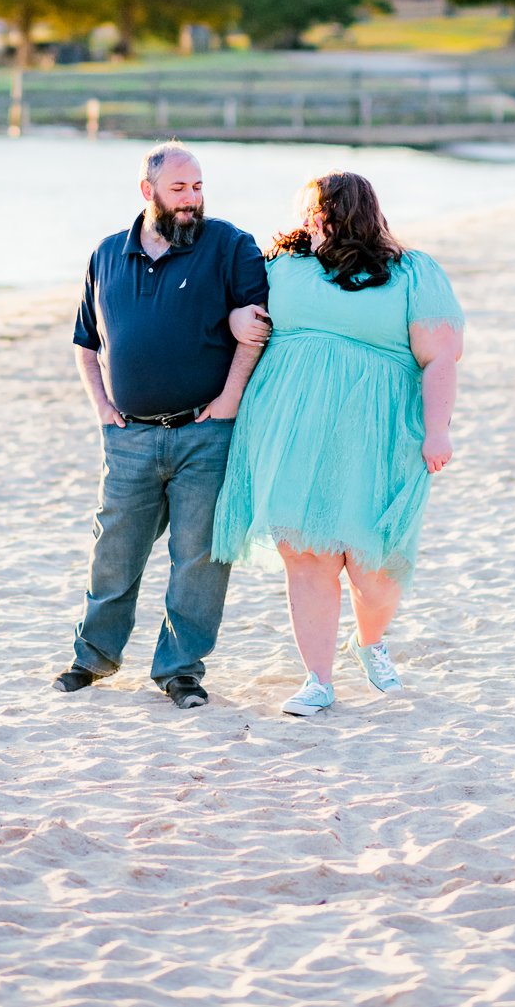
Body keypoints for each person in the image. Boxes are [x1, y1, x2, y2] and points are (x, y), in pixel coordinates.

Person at [211, 170, 464, 716]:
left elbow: (440, 355)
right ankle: (318, 679)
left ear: (346, 212)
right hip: (288, 427)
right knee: (306, 554)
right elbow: (238, 314)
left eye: (315, 210)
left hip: (379, 431)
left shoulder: (410, 273)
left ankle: (369, 641)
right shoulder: (282, 266)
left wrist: (438, 428)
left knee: (372, 563)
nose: (307, 220)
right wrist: (235, 316)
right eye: (305, 211)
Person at [53, 142, 270, 709]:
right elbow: (84, 344)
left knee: (199, 558)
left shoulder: (231, 245)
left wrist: (227, 401)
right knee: (114, 550)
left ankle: (180, 671)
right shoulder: (105, 255)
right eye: (180, 189)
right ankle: (92, 659)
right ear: (147, 191)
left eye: (198, 188)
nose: (192, 200)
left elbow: (256, 329)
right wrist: (103, 408)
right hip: (130, 437)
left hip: (207, 434)